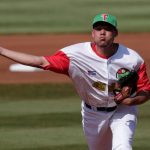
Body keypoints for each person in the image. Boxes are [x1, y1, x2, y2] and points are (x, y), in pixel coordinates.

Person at [0, 13, 150, 150]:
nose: (102, 32)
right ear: (92, 33)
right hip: (93, 113)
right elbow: (40, 62)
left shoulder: (132, 59)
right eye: (98, 29)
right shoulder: (75, 55)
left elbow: (145, 90)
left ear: (115, 33)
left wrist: (133, 101)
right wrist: (2, 50)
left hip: (122, 111)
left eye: (107, 29)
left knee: (123, 147)